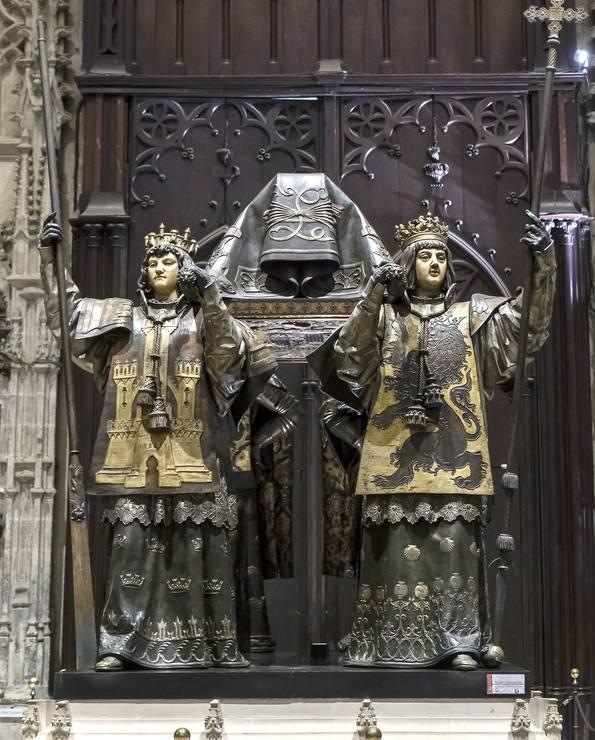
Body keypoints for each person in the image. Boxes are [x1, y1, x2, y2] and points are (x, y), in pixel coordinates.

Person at [310, 212, 556, 670]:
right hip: (392, 452)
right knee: (394, 557)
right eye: (424, 255)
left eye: (441, 255)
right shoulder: (385, 316)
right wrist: (372, 294)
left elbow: (529, 328)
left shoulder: (473, 317)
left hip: (454, 457)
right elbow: (347, 357)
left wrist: (544, 263)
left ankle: (457, 640)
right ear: (408, 264)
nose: (434, 263)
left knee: (453, 552)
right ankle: (383, 639)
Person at [39, 219, 274, 670]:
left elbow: (229, 362)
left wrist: (209, 295)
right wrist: (54, 261)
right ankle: (121, 643)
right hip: (132, 455)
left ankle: (207, 642)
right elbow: (68, 317)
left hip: (193, 456)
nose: (161, 267)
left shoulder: (206, 321)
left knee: (195, 547)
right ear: (143, 272)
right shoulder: (120, 318)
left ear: (186, 270)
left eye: (171, 260)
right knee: (131, 547)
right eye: (153, 261)